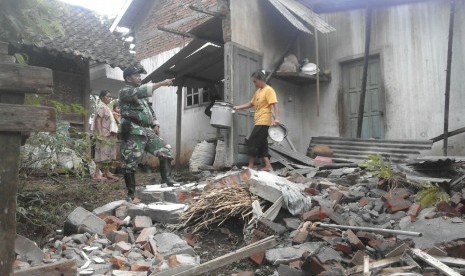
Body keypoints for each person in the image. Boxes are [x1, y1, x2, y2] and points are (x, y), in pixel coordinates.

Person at [119, 66, 177, 199]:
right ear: (128, 78)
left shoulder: (142, 97)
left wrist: (155, 123)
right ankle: (131, 193)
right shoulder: (125, 91)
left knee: (165, 150)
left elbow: (150, 110)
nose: (139, 77)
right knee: (130, 162)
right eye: (136, 75)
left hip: (146, 129)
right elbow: (141, 91)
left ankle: (166, 180)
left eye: (140, 75)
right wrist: (162, 83)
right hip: (133, 129)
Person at [233, 70, 280, 171]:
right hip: (258, 120)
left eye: (255, 81)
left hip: (264, 121)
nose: (254, 84)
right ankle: (268, 165)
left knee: (252, 142)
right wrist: (238, 107)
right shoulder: (258, 92)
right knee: (263, 143)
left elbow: (275, 105)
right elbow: (251, 104)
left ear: (261, 79)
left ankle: (250, 165)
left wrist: (276, 118)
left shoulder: (269, 90)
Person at [93, 90, 120, 181]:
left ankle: (107, 173)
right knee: (101, 153)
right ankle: (97, 174)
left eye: (110, 96)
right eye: (108, 96)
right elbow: (98, 120)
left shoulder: (107, 108)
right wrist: (100, 134)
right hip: (104, 134)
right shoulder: (101, 106)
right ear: (102, 97)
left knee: (108, 154)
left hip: (110, 134)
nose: (110, 98)